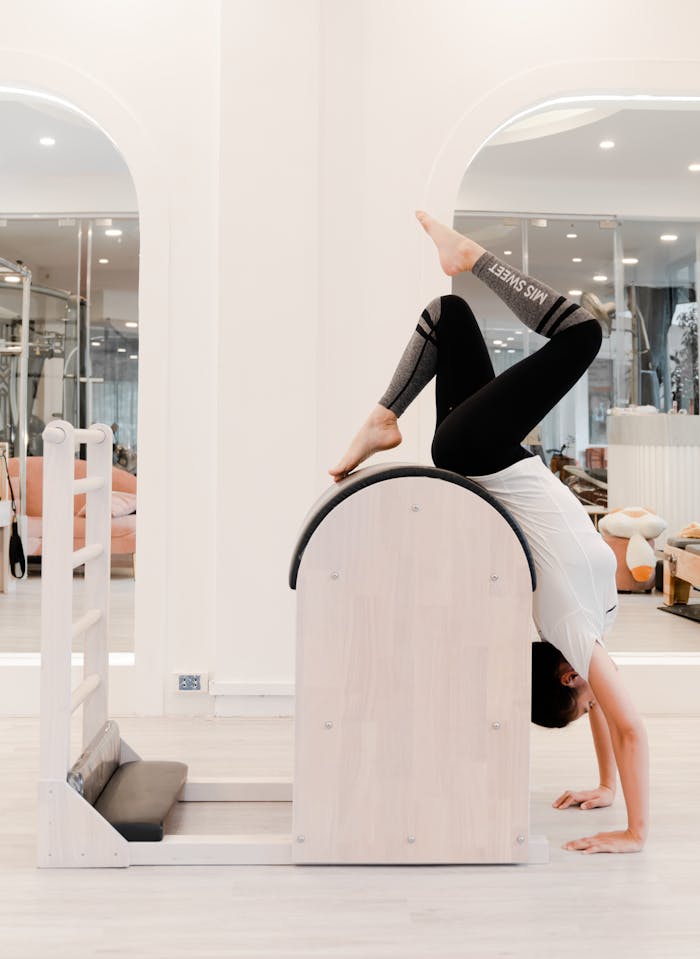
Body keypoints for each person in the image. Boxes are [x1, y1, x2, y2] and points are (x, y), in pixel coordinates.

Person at [329, 211, 649, 855]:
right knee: (448, 317)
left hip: (480, 452)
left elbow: (628, 727)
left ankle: (470, 262)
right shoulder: (588, 632)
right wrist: (605, 787)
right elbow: (609, 720)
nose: (600, 705)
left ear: (568, 677)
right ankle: (384, 419)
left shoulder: (567, 624)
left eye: (587, 702)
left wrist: (634, 833)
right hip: (482, 451)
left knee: (578, 332)